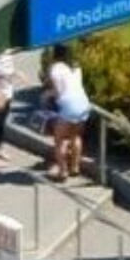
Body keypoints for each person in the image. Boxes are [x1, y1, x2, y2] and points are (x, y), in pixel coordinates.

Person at [45, 43, 92, 181]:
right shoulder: (76, 66)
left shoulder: (55, 69)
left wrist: (47, 95)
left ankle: (63, 171)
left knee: (59, 140)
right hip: (83, 103)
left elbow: (57, 92)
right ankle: (75, 167)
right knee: (76, 135)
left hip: (69, 106)